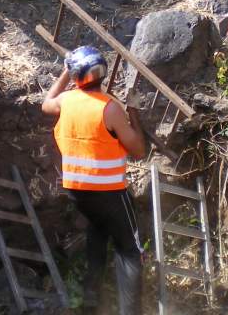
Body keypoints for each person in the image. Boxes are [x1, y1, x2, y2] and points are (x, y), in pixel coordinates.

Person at [42, 46, 145, 315]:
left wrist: (65, 73)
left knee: (97, 232)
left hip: (78, 192)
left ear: (76, 76)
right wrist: (133, 110)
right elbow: (139, 150)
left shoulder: (65, 101)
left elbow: (46, 102)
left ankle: (90, 301)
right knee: (130, 251)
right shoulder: (109, 109)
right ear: (102, 73)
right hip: (109, 192)